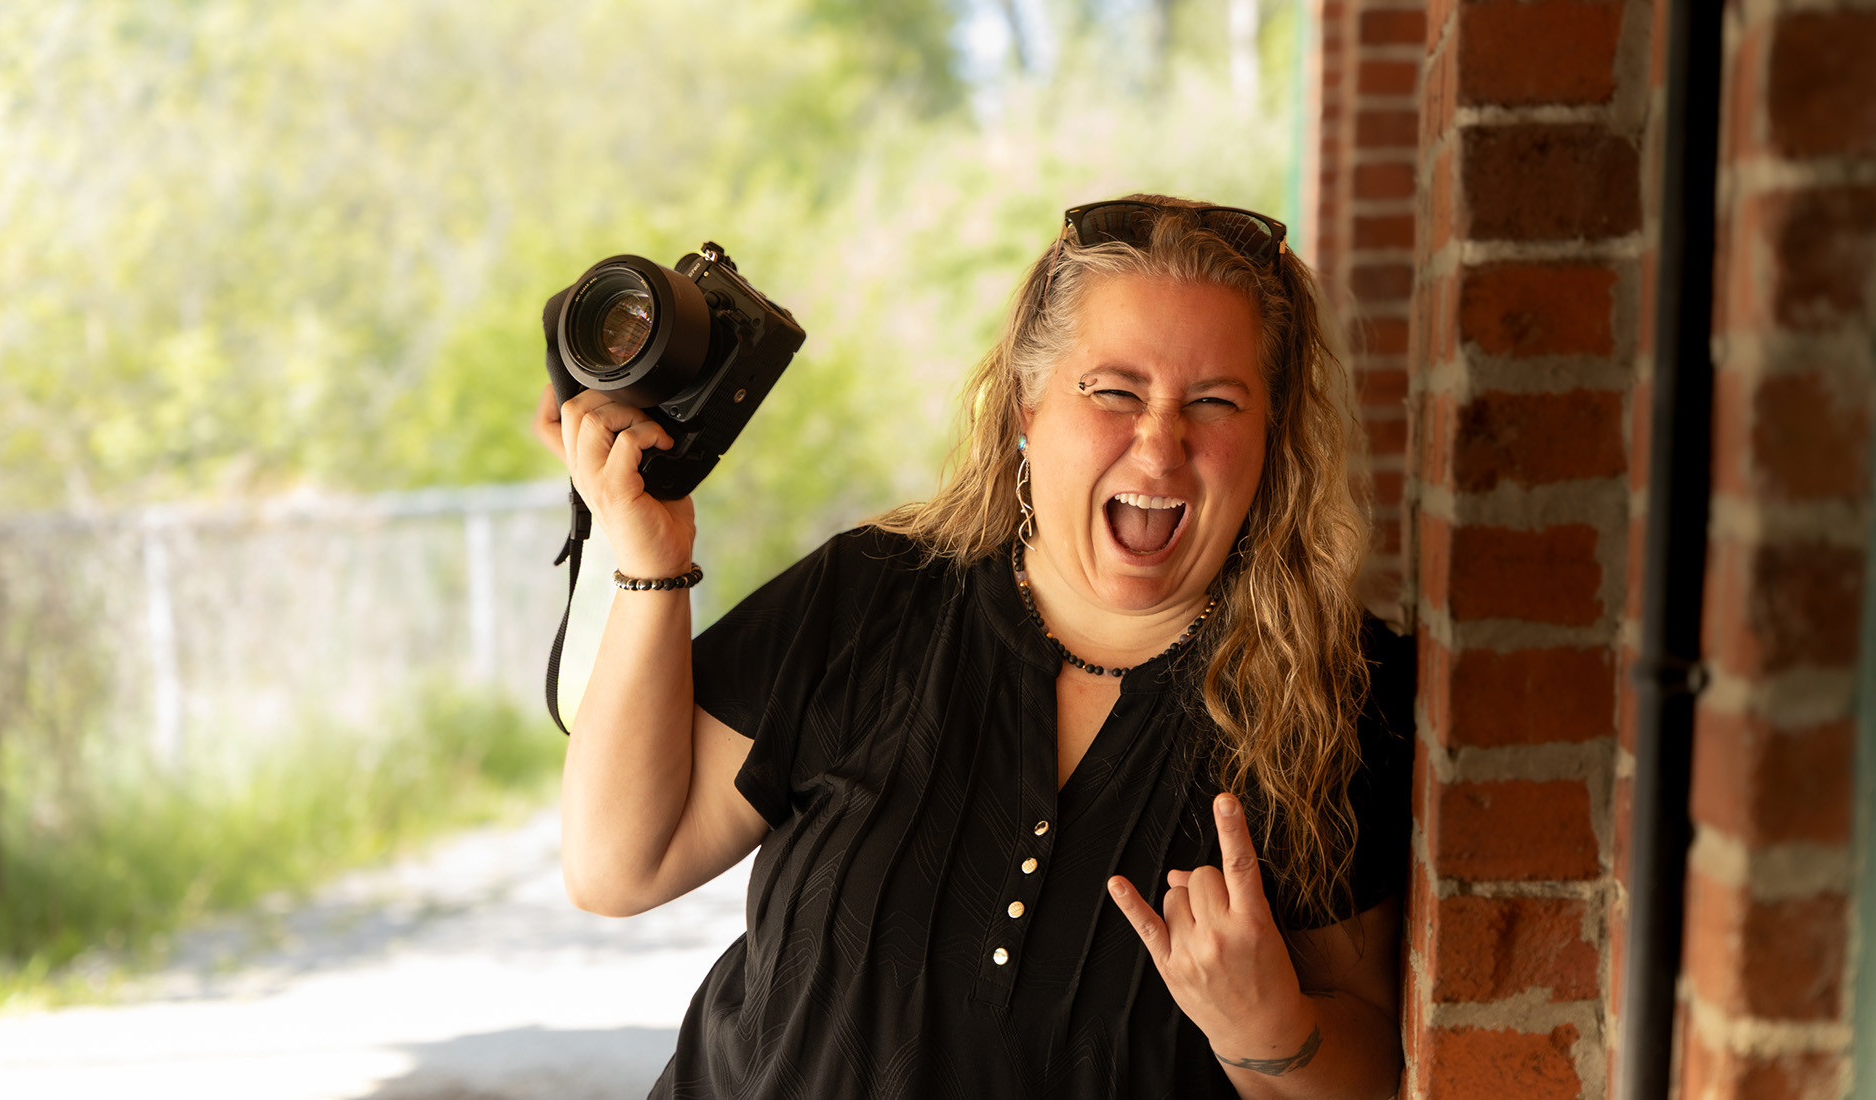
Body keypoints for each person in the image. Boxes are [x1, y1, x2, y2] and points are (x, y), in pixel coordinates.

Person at [531, 195, 1414, 1099]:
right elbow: (617, 866)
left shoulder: (1340, 692)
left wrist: (1273, 1030)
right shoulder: (873, 593)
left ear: (1271, 440)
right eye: (1113, 391)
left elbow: (1376, 1073)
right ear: (1028, 408)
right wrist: (647, 561)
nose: (1159, 447)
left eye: (1217, 402)